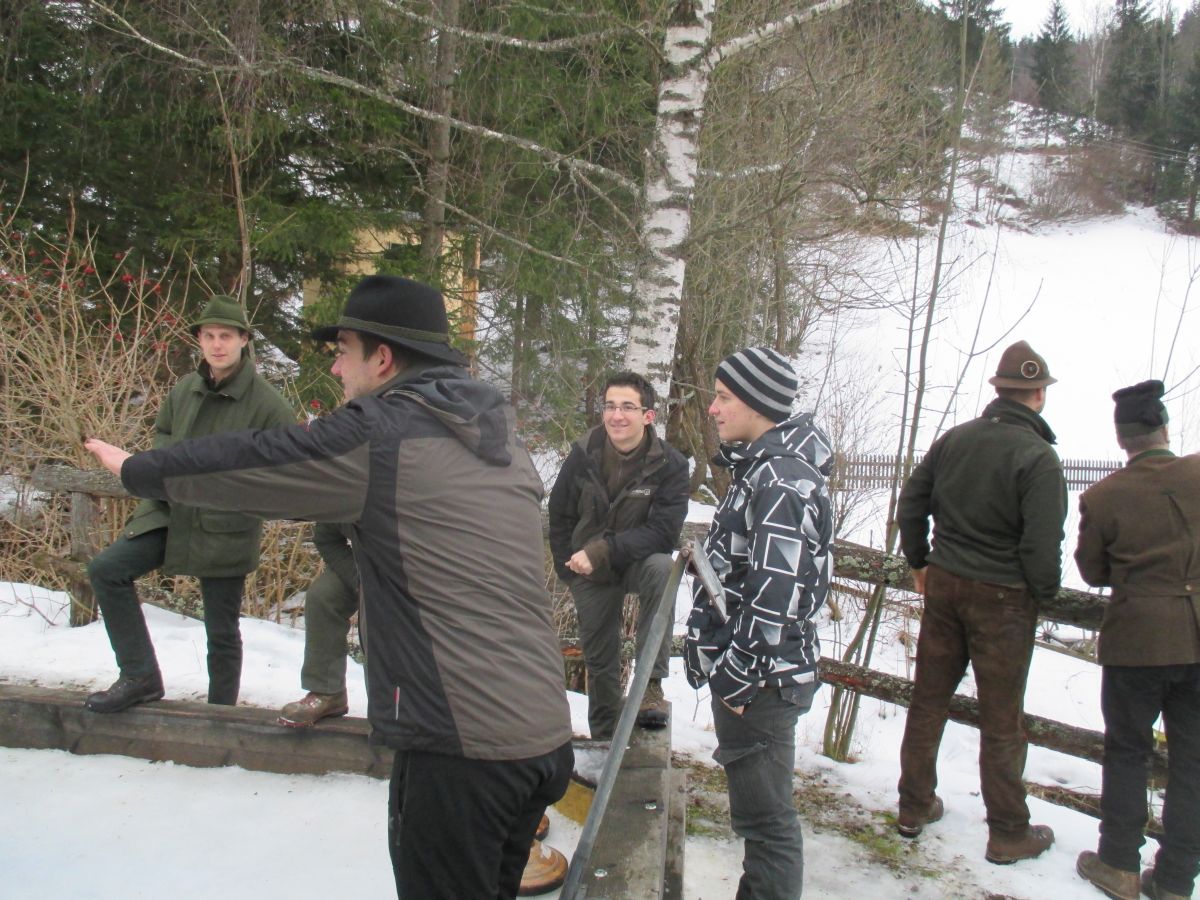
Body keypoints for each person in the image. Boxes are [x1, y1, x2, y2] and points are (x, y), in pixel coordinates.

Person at [85, 274, 573, 900]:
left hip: (461, 746)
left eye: (344, 350)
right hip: (540, 733)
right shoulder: (493, 429)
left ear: (383, 357)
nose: (337, 367)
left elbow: (262, 458)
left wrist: (139, 468)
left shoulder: (384, 433)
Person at [895, 339, 1067, 864]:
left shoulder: (956, 439)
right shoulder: (1038, 457)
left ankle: (913, 806)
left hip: (945, 584)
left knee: (928, 700)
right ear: (1038, 395)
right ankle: (1009, 830)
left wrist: (920, 561)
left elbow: (911, 503)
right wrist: (1045, 594)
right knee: (1002, 719)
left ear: (999, 390)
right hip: (1004, 599)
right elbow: (1042, 546)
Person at [84, 296, 295, 713]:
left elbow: (284, 471)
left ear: (244, 340)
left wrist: (228, 489)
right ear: (199, 340)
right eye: (209, 336)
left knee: (221, 630)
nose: (217, 345)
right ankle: (140, 676)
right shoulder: (185, 390)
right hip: (170, 512)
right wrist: (161, 476)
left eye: (226, 336)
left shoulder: (268, 405)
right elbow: (163, 438)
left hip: (224, 525)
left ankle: (221, 715)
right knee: (107, 569)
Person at [684, 347, 833, 900]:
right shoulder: (764, 469)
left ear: (757, 404)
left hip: (762, 681)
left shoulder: (780, 480)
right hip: (760, 676)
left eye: (724, 397)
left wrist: (737, 680)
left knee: (768, 827)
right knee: (760, 823)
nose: (713, 408)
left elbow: (775, 594)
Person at [1074, 380, 1200, 900]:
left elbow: (1092, 571)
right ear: (1164, 428)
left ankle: (1119, 864)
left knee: (1127, 751)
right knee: (1193, 760)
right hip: (1196, 638)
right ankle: (1176, 880)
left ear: (1122, 439)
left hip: (1136, 641)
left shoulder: (1103, 496)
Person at [547, 370, 689, 740]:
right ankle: (605, 739)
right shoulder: (583, 455)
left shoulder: (670, 464)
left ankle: (650, 686)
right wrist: (569, 571)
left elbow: (663, 533)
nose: (617, 415)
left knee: (663, 568)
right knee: (600, 658)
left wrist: (603, 549)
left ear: (648, 416)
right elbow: (559, 515)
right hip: (588, 571)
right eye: (610, 406)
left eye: (627, 407)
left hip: (638, 563)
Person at [277, 522, 359, 727]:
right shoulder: (345, 503)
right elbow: (327, 539)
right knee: (323, 597)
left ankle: (392, 703)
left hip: (422, 561)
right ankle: (328, 692)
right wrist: (361, 580)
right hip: (368, 564)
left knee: (381, 613)